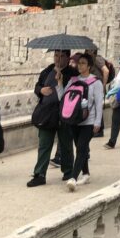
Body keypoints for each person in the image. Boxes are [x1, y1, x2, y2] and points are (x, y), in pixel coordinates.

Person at [27, 49, 76, 187]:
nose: (58, 59)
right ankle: (40, 174)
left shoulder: (72, 74)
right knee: (44, 144)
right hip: (47, 113)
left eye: (61, 56)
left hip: (64, 115)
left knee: (66, 144)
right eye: (56, 55)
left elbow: (73, 94)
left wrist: (61, 82)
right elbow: (38, 86)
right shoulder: (47, 71)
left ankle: (68, 171)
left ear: (67, 57)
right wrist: (40, 90)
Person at [66, 53, 104, 191]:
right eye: (79, 63)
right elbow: (64, 98)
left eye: (83, 63)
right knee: (80, 148)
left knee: (81, 147)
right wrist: (59, 84)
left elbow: (99, 103)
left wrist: (97, 122)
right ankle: (86, 174)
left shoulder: (96, 82)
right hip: (75, 120)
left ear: (89, 66)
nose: (80, 65)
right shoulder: (73, 80)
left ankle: (73, 177)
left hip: (89, 120)